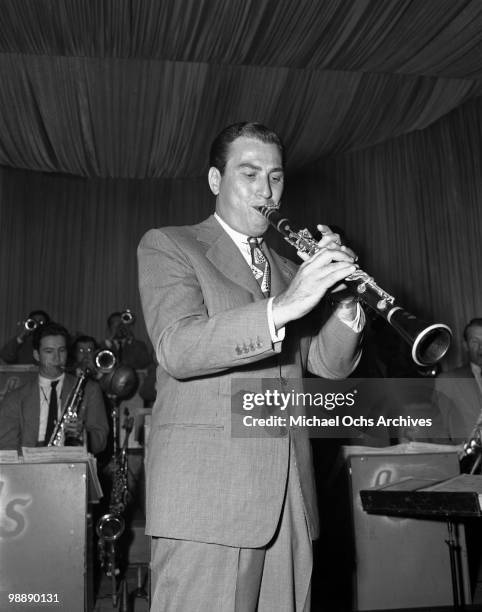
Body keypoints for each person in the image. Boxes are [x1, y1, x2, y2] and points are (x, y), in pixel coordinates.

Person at [137, 122, 364, 611]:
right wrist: (284, 305)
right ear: (216, 180)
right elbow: (177, 348)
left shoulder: (286, 266)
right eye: (250, 174)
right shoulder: (170, 245)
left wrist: (348, 309)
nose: (267, 191)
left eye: (276, 178)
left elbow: (324, 364)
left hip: (290, 502)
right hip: (208, 497)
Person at [0, 322, 108, 454]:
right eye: (49, 351)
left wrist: (83, 434)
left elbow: (101, 441)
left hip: (73, 465)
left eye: (61, 350)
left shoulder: (90, 389)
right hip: (29, 466)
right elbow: (6, 447)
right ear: (36, 355)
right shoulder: (14, 398)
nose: (57, 358)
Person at [434, 317, 482, 444]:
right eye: (475, 341)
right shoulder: (448, 381)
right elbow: (438, 431)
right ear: (465, 345)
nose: (481, 347)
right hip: (468, 460)